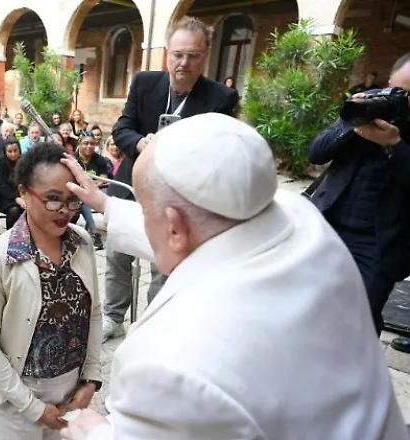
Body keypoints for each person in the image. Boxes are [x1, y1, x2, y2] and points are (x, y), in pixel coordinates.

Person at [59, 113, 407, 440]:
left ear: (174, 227)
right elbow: (208, 236)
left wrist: (94, 433)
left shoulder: (171, 367)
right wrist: (108, 204)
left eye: (147, 211)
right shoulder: (301, 218)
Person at [103, 16, 239, 341]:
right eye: (178, 54)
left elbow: (218, 151)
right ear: (167, 52)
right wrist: (140, 143)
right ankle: (113, 316)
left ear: (205, 55)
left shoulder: (221, 98)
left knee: (164, 263)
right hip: (134, 183)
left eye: (193, 55)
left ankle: (152, 322)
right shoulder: (145, 82)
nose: (183, 62)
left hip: (178, 193)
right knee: (116, 254)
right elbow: (122, 128)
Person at [0, 143, 102, 440]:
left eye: (72, 201)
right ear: (24, 194)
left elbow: (93, 313)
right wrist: (32, 407)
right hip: (15, 400)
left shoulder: (81, 243)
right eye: (53, 200)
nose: (64, 211)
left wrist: (91, 379)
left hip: (71, 394)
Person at [308, 53, 410, 339]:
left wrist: (395, 144)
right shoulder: (366, 105)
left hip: (379, 243)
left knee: (359, 323)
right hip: (328, 224)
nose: (403, 101)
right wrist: (353, 123)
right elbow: (317, 153)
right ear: (389, 82)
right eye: (400, 92)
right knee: (308, 306)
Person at [74, 131, 109, 250]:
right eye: (86, 143)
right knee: (84, 201)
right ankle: (94, 233)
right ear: (80, 143)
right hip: (76, 191)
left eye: (92, 144)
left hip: (93, 191)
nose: (89, 146)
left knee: (86, 200)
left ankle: (93, 232)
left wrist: (94, 185)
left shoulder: (99, 159)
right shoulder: (73, 159)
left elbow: (103, 177)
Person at [0, 137, 24, 229]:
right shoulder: (1, 164)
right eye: (10, 151)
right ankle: (10, 236)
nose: (13, 154)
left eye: (15, 150)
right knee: (14, 211)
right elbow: (2, 186)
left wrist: (24, 196)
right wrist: (17, 198)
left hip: (23, 195)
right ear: (5, 152)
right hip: (5, 198)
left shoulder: (25, 161)